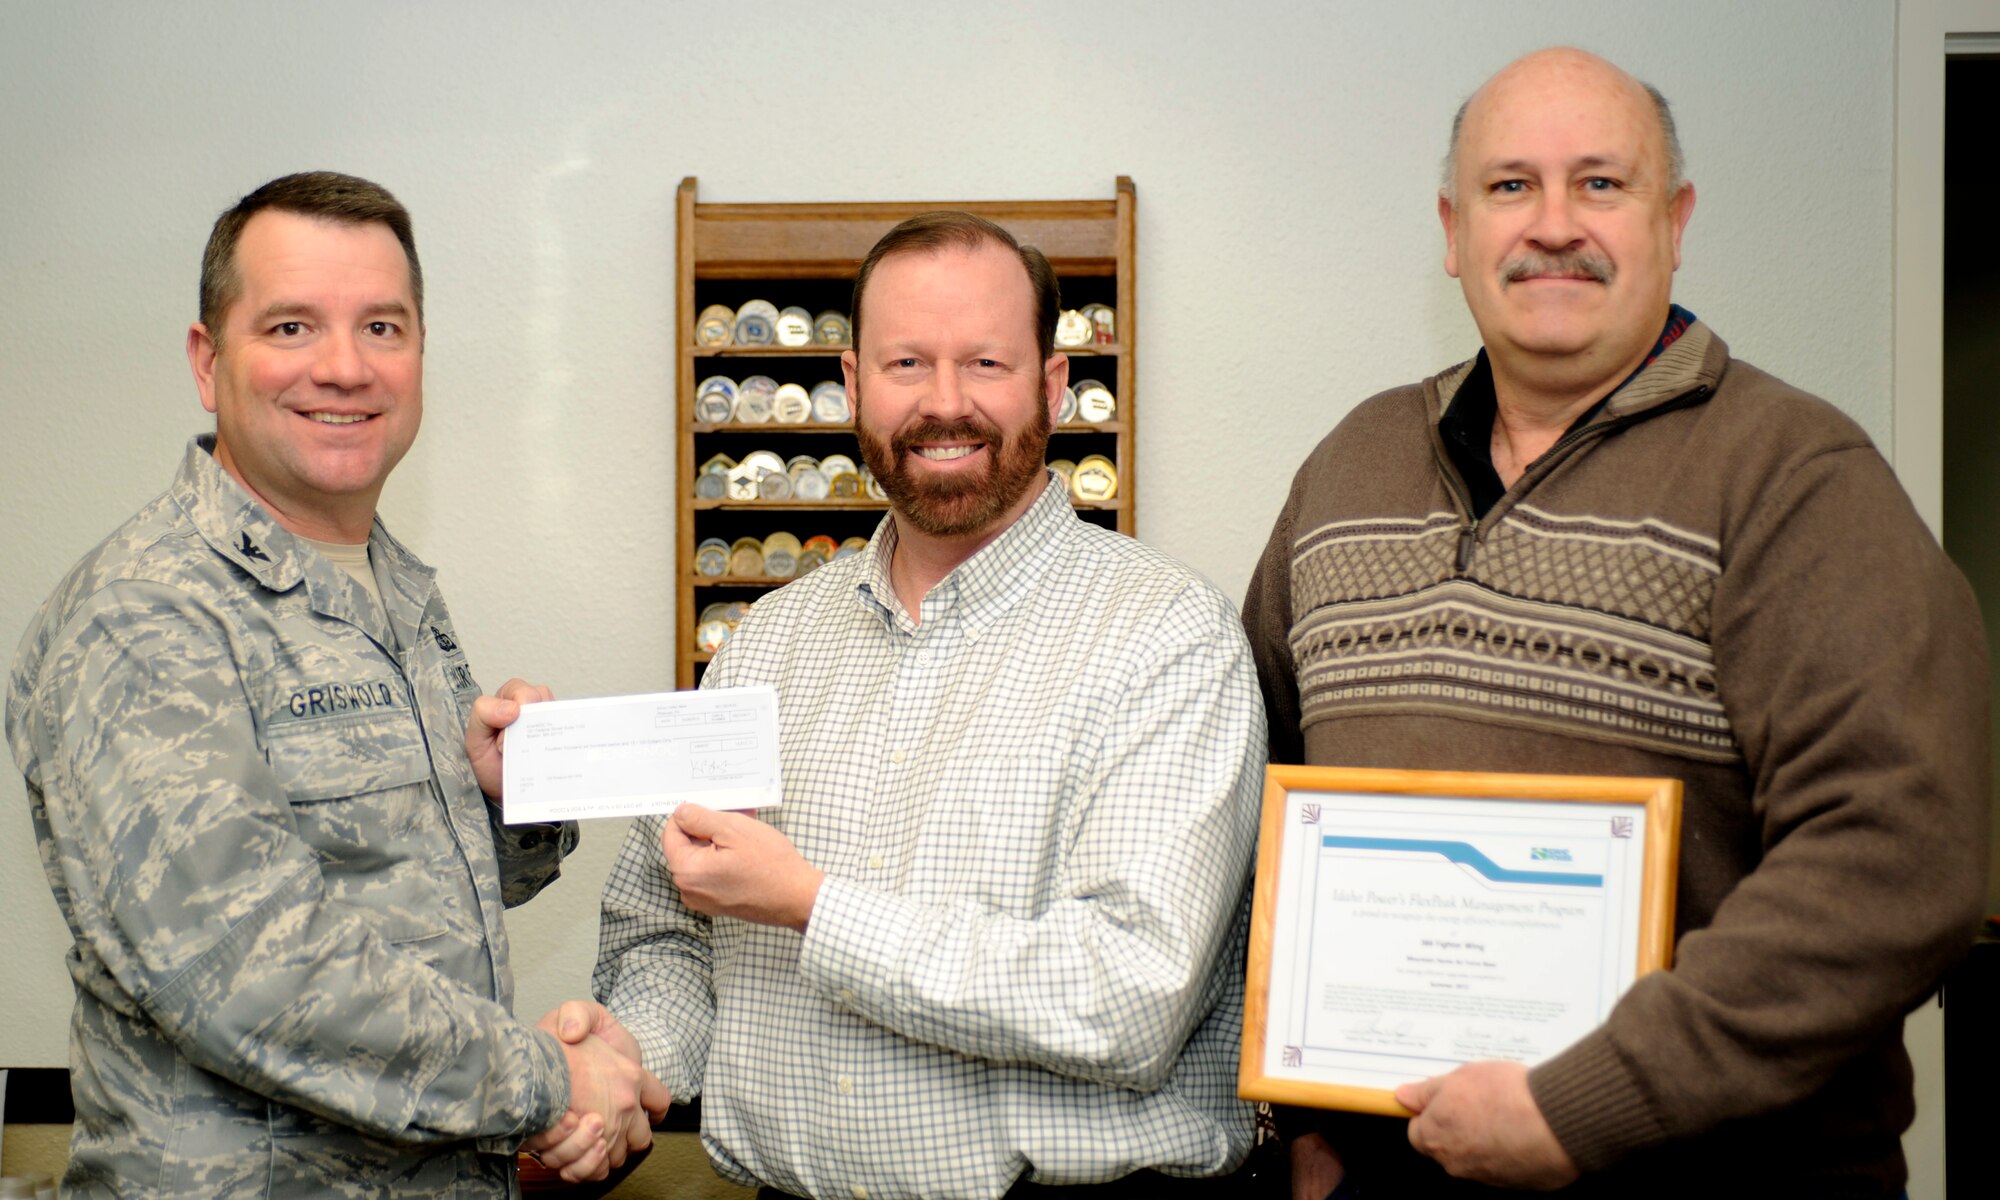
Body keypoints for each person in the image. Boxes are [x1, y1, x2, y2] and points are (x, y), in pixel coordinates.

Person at [1243, 47, 1989, 1198]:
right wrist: (1298, 1120)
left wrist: (1581, 1106)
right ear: (1450, 231)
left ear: (1673, 219)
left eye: (1599, 183)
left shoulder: (1795, 477)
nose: (1551, 225)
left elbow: (1900, 853)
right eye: (1508, 186)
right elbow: (1256, 792)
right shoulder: (1349, 465)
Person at [576, 212, 1267, 1199]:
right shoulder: (764, 645)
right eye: (906, 363)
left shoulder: (1165, 639)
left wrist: (815, 909)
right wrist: (631, 1060)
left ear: (1052, 386)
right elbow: (663, 927)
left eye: (984, 362)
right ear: (853, 386)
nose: (944, 404)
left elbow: (1127, 995)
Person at [6, 172, 666, 1198]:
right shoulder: (145, 616)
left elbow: (395, 896)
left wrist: (502, 802)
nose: (346, 367)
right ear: (205, 359)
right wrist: (551, 1082)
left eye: (383, 328)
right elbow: (249, 974)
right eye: (290, 326)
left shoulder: (390, 589)